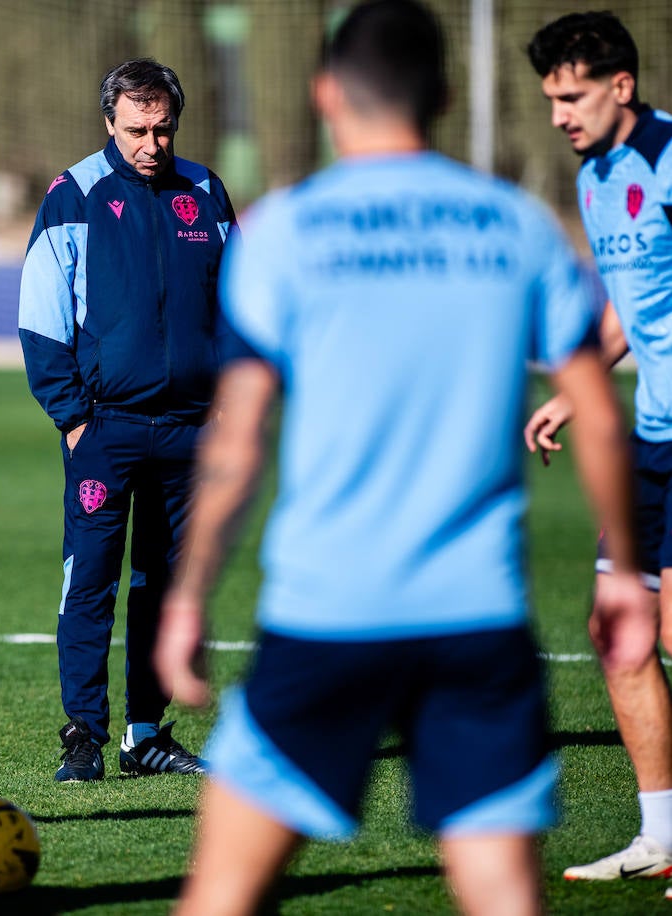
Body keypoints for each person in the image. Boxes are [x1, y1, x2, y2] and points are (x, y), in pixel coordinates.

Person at [153, 1, 645, 913]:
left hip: (326, 613)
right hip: (477, 615)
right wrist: (626, 570)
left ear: (325, 95)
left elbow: (238, 435)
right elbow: (599, 413)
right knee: (502, 897)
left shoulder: (283, 229)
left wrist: (187, 596)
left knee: (220, 896)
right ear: (447, 96)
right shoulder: (516, 225)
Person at [18, 57, 237, 782]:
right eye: (138, 129)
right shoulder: (74, 195)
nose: (151, 144)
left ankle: (146, 736)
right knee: (91, 584)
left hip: (189, 433)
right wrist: (73, 418)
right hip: (104, 430)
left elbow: (237, 311)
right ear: (109, 122)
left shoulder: (205, 192)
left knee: (164, 586)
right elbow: (41, 319)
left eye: (163, 129)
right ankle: (83, 735)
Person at [524, 11, 672, 884]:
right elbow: (632, 301)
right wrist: (576, 387)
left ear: (621, 86)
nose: (559, 114)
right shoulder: (594, 174)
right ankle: (661, 835)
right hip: (652, 438)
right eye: (549, 98)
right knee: (618, 632)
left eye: (571, 96)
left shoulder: (667, 158)